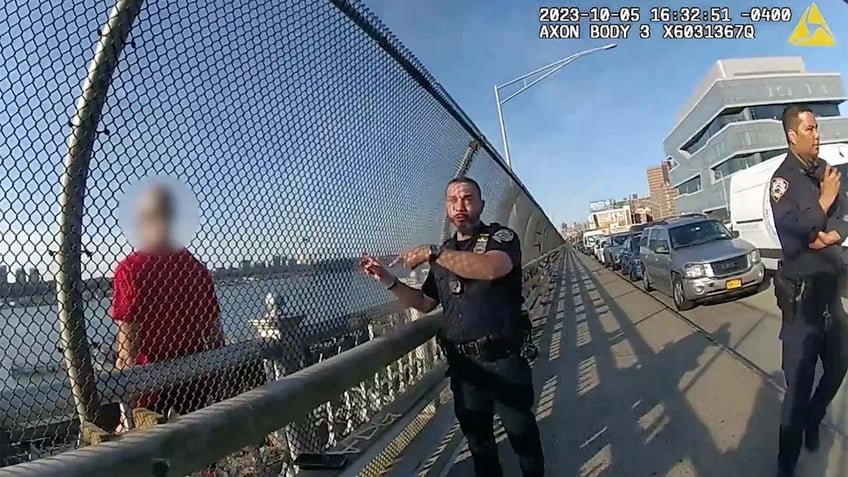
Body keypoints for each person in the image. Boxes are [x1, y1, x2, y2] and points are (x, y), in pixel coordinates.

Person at [360, 176, 545, 477]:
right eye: (453, 200)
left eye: (468, 198)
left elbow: (491, 268)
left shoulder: (501, 238)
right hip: (465, 368)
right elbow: (424, 303)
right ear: (447, 208)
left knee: (523, 437)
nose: (461, 206)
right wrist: (387, 279)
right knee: (480, 445)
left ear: (481, 204)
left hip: (503, 359)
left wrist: (433, 253)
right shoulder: (444, 254)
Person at [769, 104, 848, 477]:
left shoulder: (825, 173)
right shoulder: (781, 182)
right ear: (792, 135)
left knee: (838, 367)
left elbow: (843, 217)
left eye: (817, 128)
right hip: (802, 302)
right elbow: (797, 231)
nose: (817, 134)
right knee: (797, 390)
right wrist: (824, 203)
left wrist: (835, 232)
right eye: (811, 129)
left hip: (831, 292)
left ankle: (816, 419)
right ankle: (787, 464)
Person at [111, 183, 225, 420]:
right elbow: (215, 337)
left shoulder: (130, 270)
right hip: (194, 381)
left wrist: (126, 400)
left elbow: (128, 349)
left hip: (151, 388)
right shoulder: (197, 270)